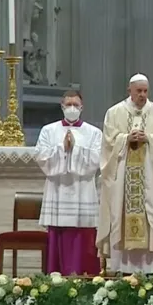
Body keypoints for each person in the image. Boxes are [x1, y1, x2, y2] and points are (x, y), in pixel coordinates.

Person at [97, 74, 153, 274]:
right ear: (129, 91)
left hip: (150, 178)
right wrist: (125, 139)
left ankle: (152, 268)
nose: (142, 95)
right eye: (138, 91)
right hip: (123, 178)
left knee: (152, 213)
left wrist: (150, 139)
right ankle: (121, 268)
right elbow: (108, 142)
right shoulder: (114, 112)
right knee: (119, 214)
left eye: (145, 91)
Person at [35, 90, 102, 276]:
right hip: (58, 190)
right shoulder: (48, 130)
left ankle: (85, 276)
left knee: (83, 235)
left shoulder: (94, 133)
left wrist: (75, 149)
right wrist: (62, 148)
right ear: (62, 107)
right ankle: (56, 276)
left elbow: (97, 160)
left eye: (76, 105)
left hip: (83, 191)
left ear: (82, 107)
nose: (72, 108)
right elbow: (41, 157)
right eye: (68, 105)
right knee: (58, 234)